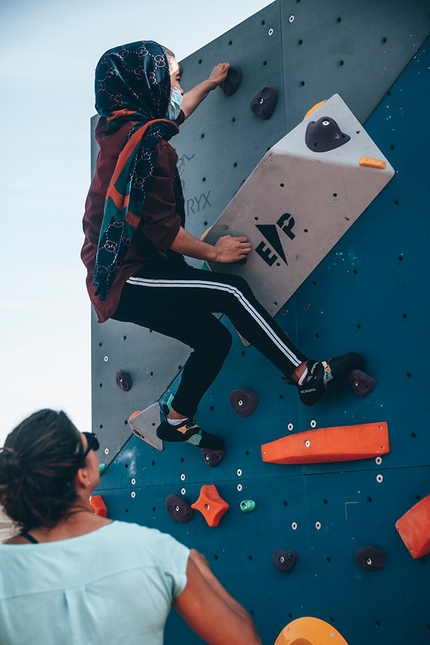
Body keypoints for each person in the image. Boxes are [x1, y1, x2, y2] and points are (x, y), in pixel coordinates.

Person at [81, 40, 362, 452]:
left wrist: (211, 84)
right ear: (149, 81)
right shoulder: (143, 148)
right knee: (231, 292)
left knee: (215, 340)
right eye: (173, 78)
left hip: (140, 270)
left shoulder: (122, 124)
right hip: (127, 279)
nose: (177, 86)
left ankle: (176, 419)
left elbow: (175, 112)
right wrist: (215, 253)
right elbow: (163, 230)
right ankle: (306, 375)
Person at [0, 409, 262, 645]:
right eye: (91, 442)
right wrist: (202, 572)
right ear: (82, 474)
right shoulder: (156, 552)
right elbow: (243, 640)